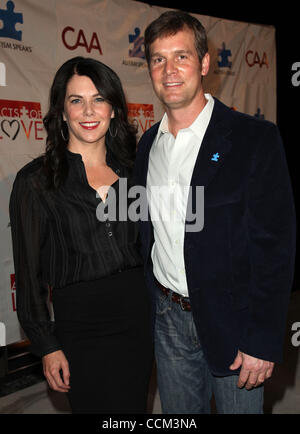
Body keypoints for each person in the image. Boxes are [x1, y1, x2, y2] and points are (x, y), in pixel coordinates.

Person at [134, 11, 296, 414]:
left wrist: (261, 339)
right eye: (158, 59)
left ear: (205, 63)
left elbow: (274, 246)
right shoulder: (147, 145)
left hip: (236, 324)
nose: (169, 70)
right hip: (169, 321)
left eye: (181, 57)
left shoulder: (253, 138)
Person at [9, 56, 153, 414]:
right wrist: (47, 344)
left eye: (99, 99)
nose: (89, 110)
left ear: (115, 109)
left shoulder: (136, 171)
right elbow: (28, 279)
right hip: (80, 328)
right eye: (76, 100)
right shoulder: (36, 182)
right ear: (61, 110)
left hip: (139, 320)